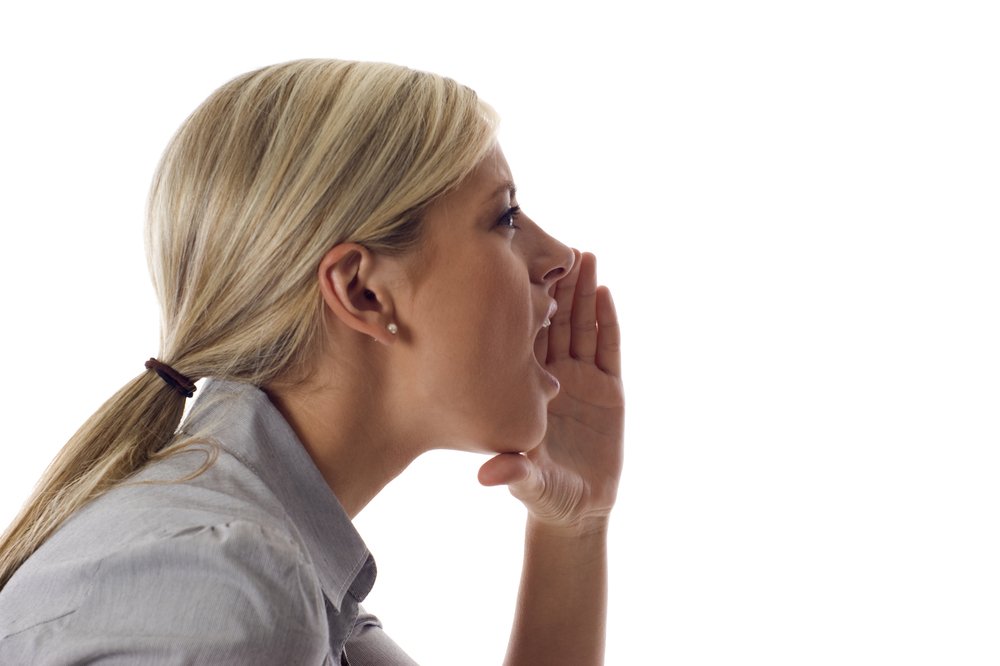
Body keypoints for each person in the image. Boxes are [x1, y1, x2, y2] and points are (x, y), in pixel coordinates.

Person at [0, 59, 624, 664]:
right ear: (362, 291)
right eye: (505, 217)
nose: (558, 257)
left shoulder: (275, 574)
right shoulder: (227, 586)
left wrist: (574, 528)